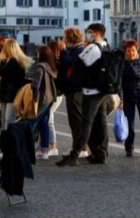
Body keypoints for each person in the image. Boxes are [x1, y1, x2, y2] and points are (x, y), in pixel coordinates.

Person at [57, 23, 109, 167]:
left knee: (85, 123)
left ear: (97, 34)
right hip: (102, 91)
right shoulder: (105, 46)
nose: (88, 35)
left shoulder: (92, 48)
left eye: (90, 32)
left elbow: (77, 64)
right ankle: (101, 153)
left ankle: (75, 154)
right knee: (101, 122)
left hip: (91, 92)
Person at [57, 27, 88, 158]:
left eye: (66, 38)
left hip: (76, 91)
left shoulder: (80, 50)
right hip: (72, 90)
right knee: (74, 120)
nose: (64, 40)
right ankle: (77, 146)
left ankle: (81, 148)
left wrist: (63, 50)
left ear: (70, 39)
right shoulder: (76, 50)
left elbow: (69, 62)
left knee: (76, 120)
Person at [0, 39, 32, 131]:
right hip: (8, 94)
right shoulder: (16, 61)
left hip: (11, 95)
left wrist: (4, 61)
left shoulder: (14, 62)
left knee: (8, 120)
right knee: (5, 119)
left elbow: (1, 72)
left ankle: (8, 141)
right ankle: (5, 140)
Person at [31, 45, 58, 160]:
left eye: (37, 52)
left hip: (42, 99)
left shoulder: (40, 68)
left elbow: (35, 85)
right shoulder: (50, 67)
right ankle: (45, 151)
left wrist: (35, 100)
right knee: (44, 124)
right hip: (50, 98)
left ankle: (26, 149)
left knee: (32, 122)